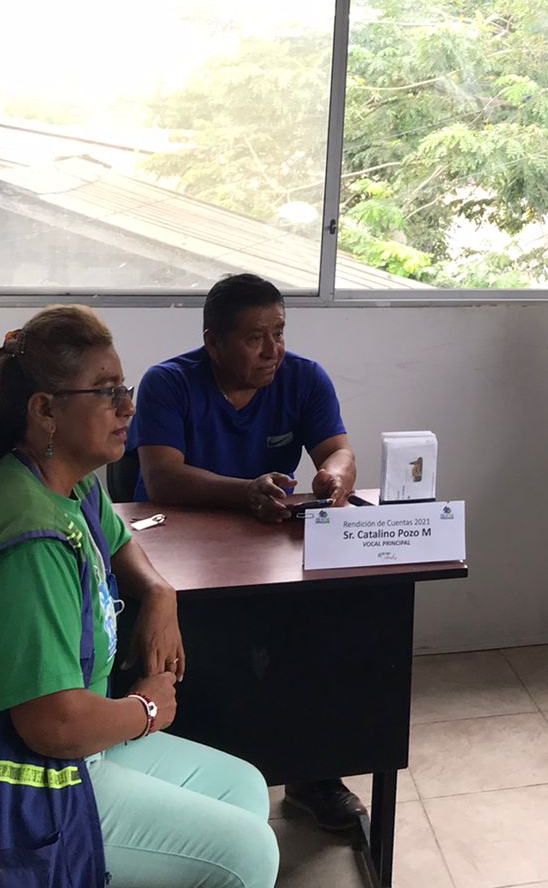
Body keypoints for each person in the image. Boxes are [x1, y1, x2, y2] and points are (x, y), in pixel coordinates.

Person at [0, 306, 278, 888]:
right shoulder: (30, 539)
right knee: (247, 856)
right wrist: (145, 710)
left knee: (243, 788)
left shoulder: (69, 484)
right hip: (34, 774)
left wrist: (160, 593)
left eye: (125, 387)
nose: (128, 408)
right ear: (45, 410)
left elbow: (121, 543)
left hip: (83, 744)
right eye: (106, 391)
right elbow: (51, 724)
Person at [129, 272, 361, 832]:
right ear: (213, 342)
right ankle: (198, 775)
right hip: (174, 551)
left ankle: (314, 774)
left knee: (329, 629)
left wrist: (335, 476)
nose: (272, 350)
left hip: (266, 545)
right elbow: (161, 477)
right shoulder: (168, 383)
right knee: (212, 658)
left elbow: (339, 451)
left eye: (279, 333)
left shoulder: (303, 377)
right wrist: (245, 492)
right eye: (255, 338)